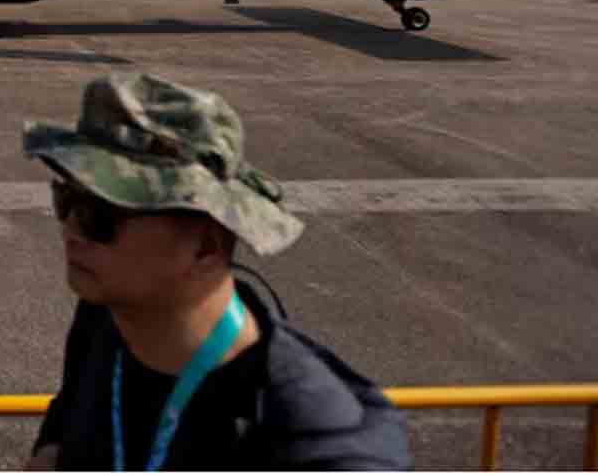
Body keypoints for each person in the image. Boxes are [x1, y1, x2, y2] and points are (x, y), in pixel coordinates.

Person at [23, 73, 409, 470]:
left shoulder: (318, 446)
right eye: (65, 199)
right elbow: (73, 406)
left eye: (98, 215)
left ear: (206, 246)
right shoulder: (107, 315)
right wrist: (51, 451)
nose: (70, 230)